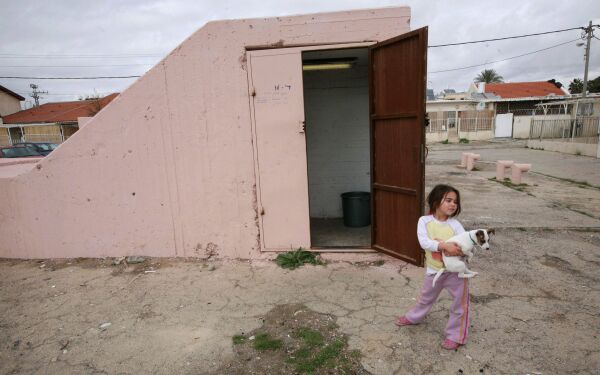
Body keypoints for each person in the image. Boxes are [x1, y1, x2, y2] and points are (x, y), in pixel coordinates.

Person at [395, 184, 469, 350]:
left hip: (457, 273)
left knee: (460, 305)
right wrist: (444, 246)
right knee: (425, 298)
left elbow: (464, 245)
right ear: (436, 201)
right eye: (448, 200)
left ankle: (455, 335)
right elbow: (424, 242)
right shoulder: (424, 221)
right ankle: (414, 317)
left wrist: (460, 250)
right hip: (434, 271)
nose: (453, 204)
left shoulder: (456, 225)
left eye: (455, 202)